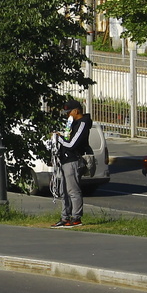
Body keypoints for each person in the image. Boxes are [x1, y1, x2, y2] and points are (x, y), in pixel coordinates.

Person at [52, 98, 94, 228]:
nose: (67, 115)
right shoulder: (72, 123)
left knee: (73, 190)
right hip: (64, 160)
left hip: (73, 160)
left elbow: (71, 144)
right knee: (63, 190)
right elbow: (67, 137)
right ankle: (65, 217)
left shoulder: (82, 124)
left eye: (69, 112)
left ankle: (76, 218)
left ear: (76, 111)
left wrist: (58, 138)